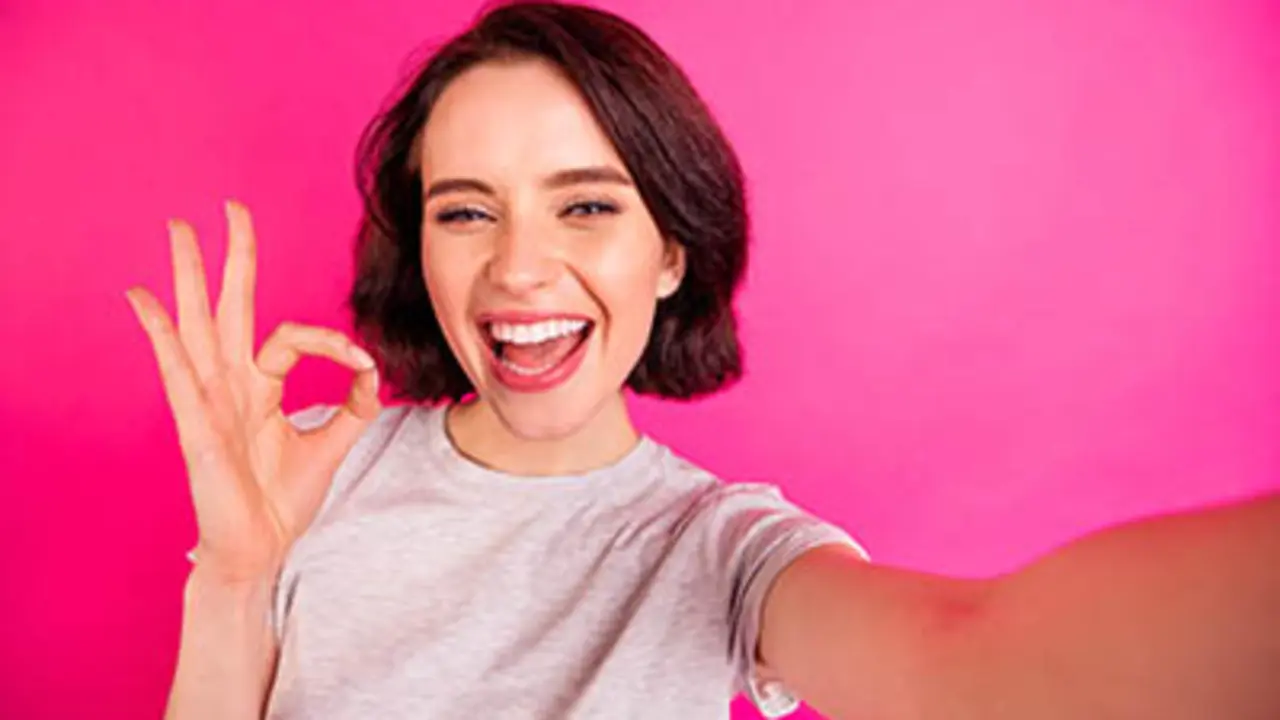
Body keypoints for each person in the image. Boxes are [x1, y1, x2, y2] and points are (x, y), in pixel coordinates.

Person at [124, 2, 1279, 719]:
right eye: (465, 213)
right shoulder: (315, 477)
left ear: (671, 251)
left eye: (584, 207)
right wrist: (231, 580)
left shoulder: (718, 548)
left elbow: (973, 661)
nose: (517, 272)